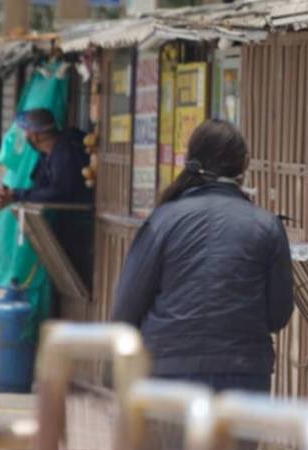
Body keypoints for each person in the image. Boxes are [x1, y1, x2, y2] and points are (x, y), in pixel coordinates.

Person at [111, 119, 294, 392]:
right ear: (245, 164)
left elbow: (127, 305)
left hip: (169, 371)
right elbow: (278, 314)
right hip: (245, 373)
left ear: (189, 160)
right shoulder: (267, 225)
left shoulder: (163, 220)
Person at [0, 108, 92, 208]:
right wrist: (9, 193)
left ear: (34, 136)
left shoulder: (65, 152)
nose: (24, 136)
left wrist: (16, 195)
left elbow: (58, 194)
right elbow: (41, 189)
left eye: (26, 131)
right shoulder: (46, 155)